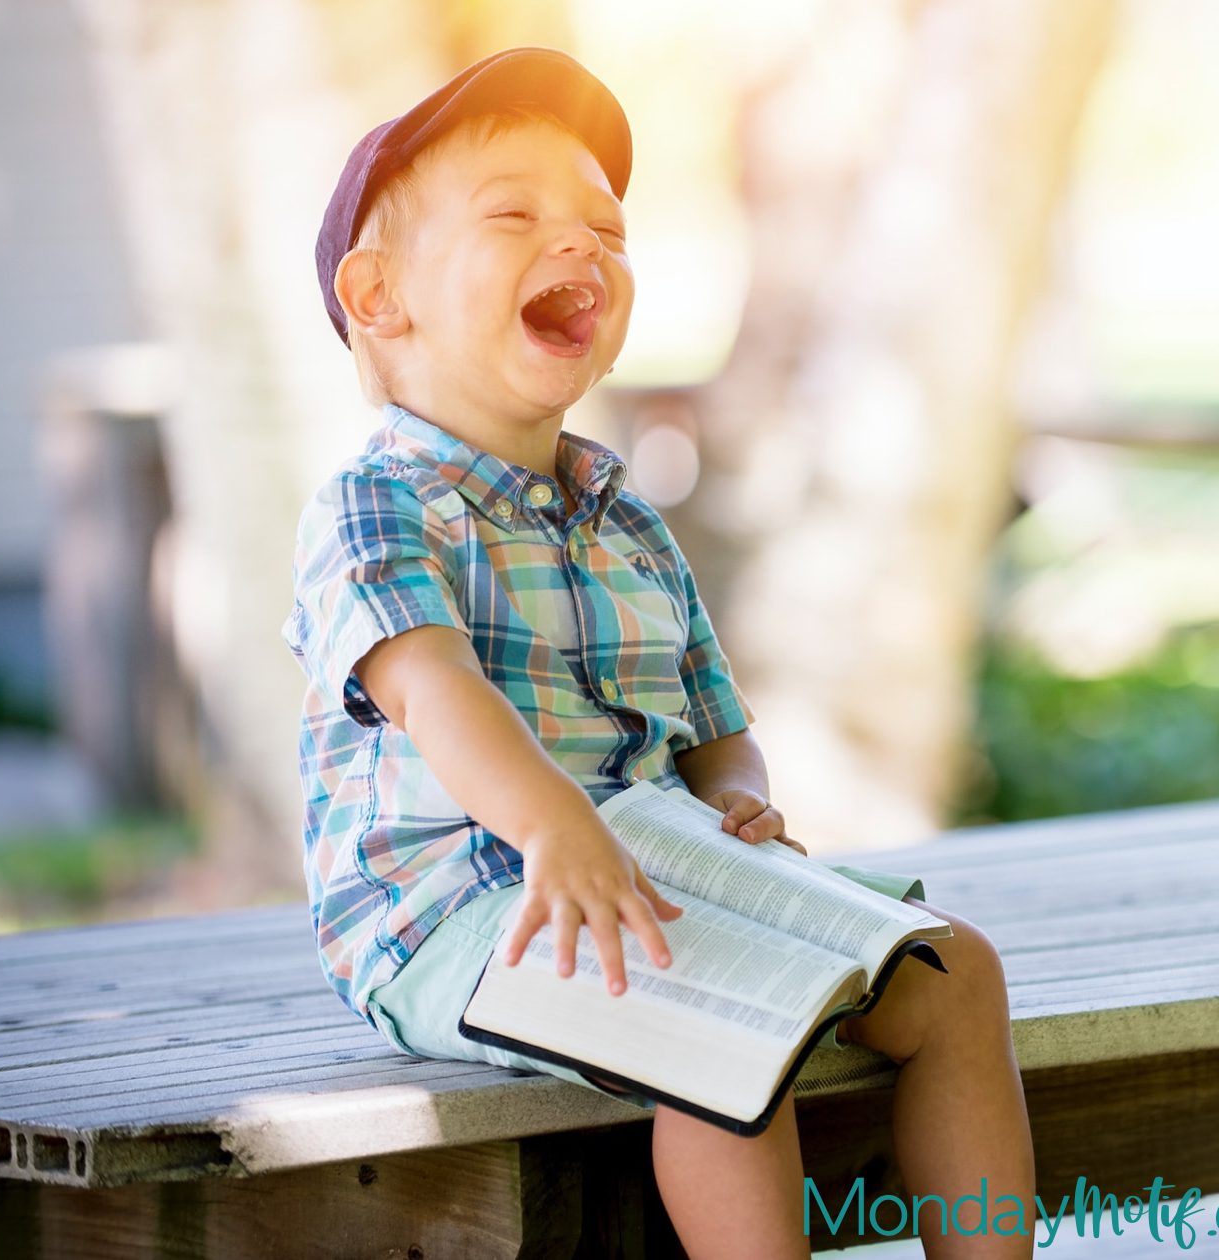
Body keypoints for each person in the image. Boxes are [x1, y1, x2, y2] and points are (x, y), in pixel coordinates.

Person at [282, 47, 1034, 1258]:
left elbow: (710, 716)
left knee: (956, 978)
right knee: (729, 1026)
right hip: (457, 908)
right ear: (378, 297)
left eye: (606, 226)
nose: (581, 244)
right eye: (515, 215)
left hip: (643, 857)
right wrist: (552, 825)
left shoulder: (624, 515)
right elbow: (432, 687)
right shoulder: (376, 506)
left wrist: (739, 796)